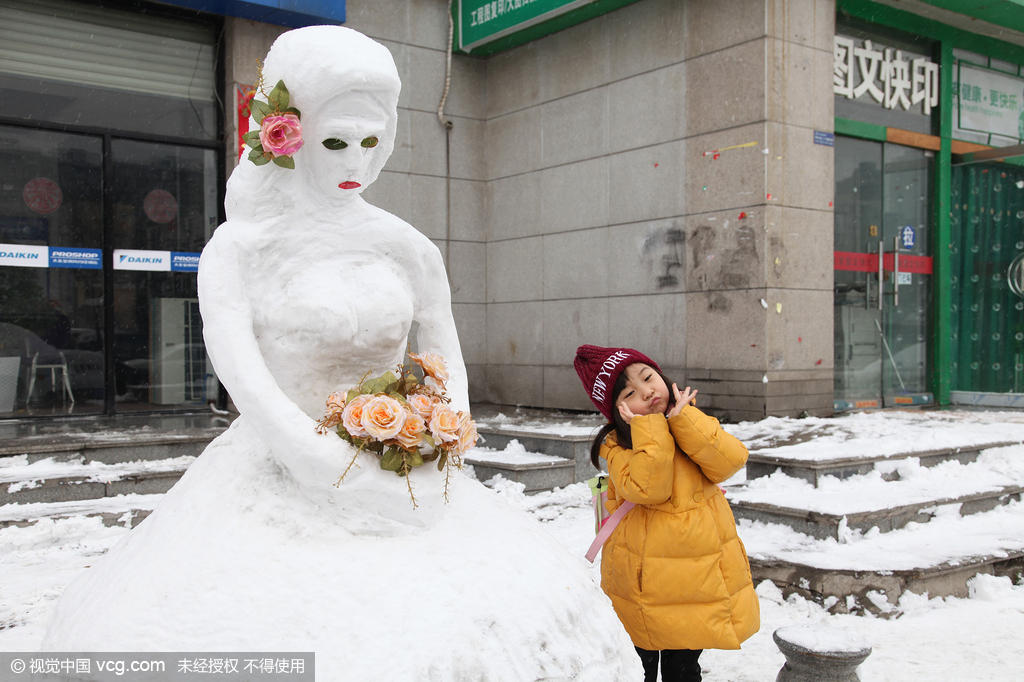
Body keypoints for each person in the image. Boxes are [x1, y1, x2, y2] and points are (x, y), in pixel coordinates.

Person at [574, 344, 760, 682]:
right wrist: (651, 430)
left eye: (648, 378)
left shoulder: (688, 422)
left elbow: (730, 460)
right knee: (639, 667)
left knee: (684, 670)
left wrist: (684, 420)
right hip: (642, 585)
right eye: (630, 392)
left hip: (695, 581)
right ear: (617, 411)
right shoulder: (616, 446)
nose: (646, 392)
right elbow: (650, 487)